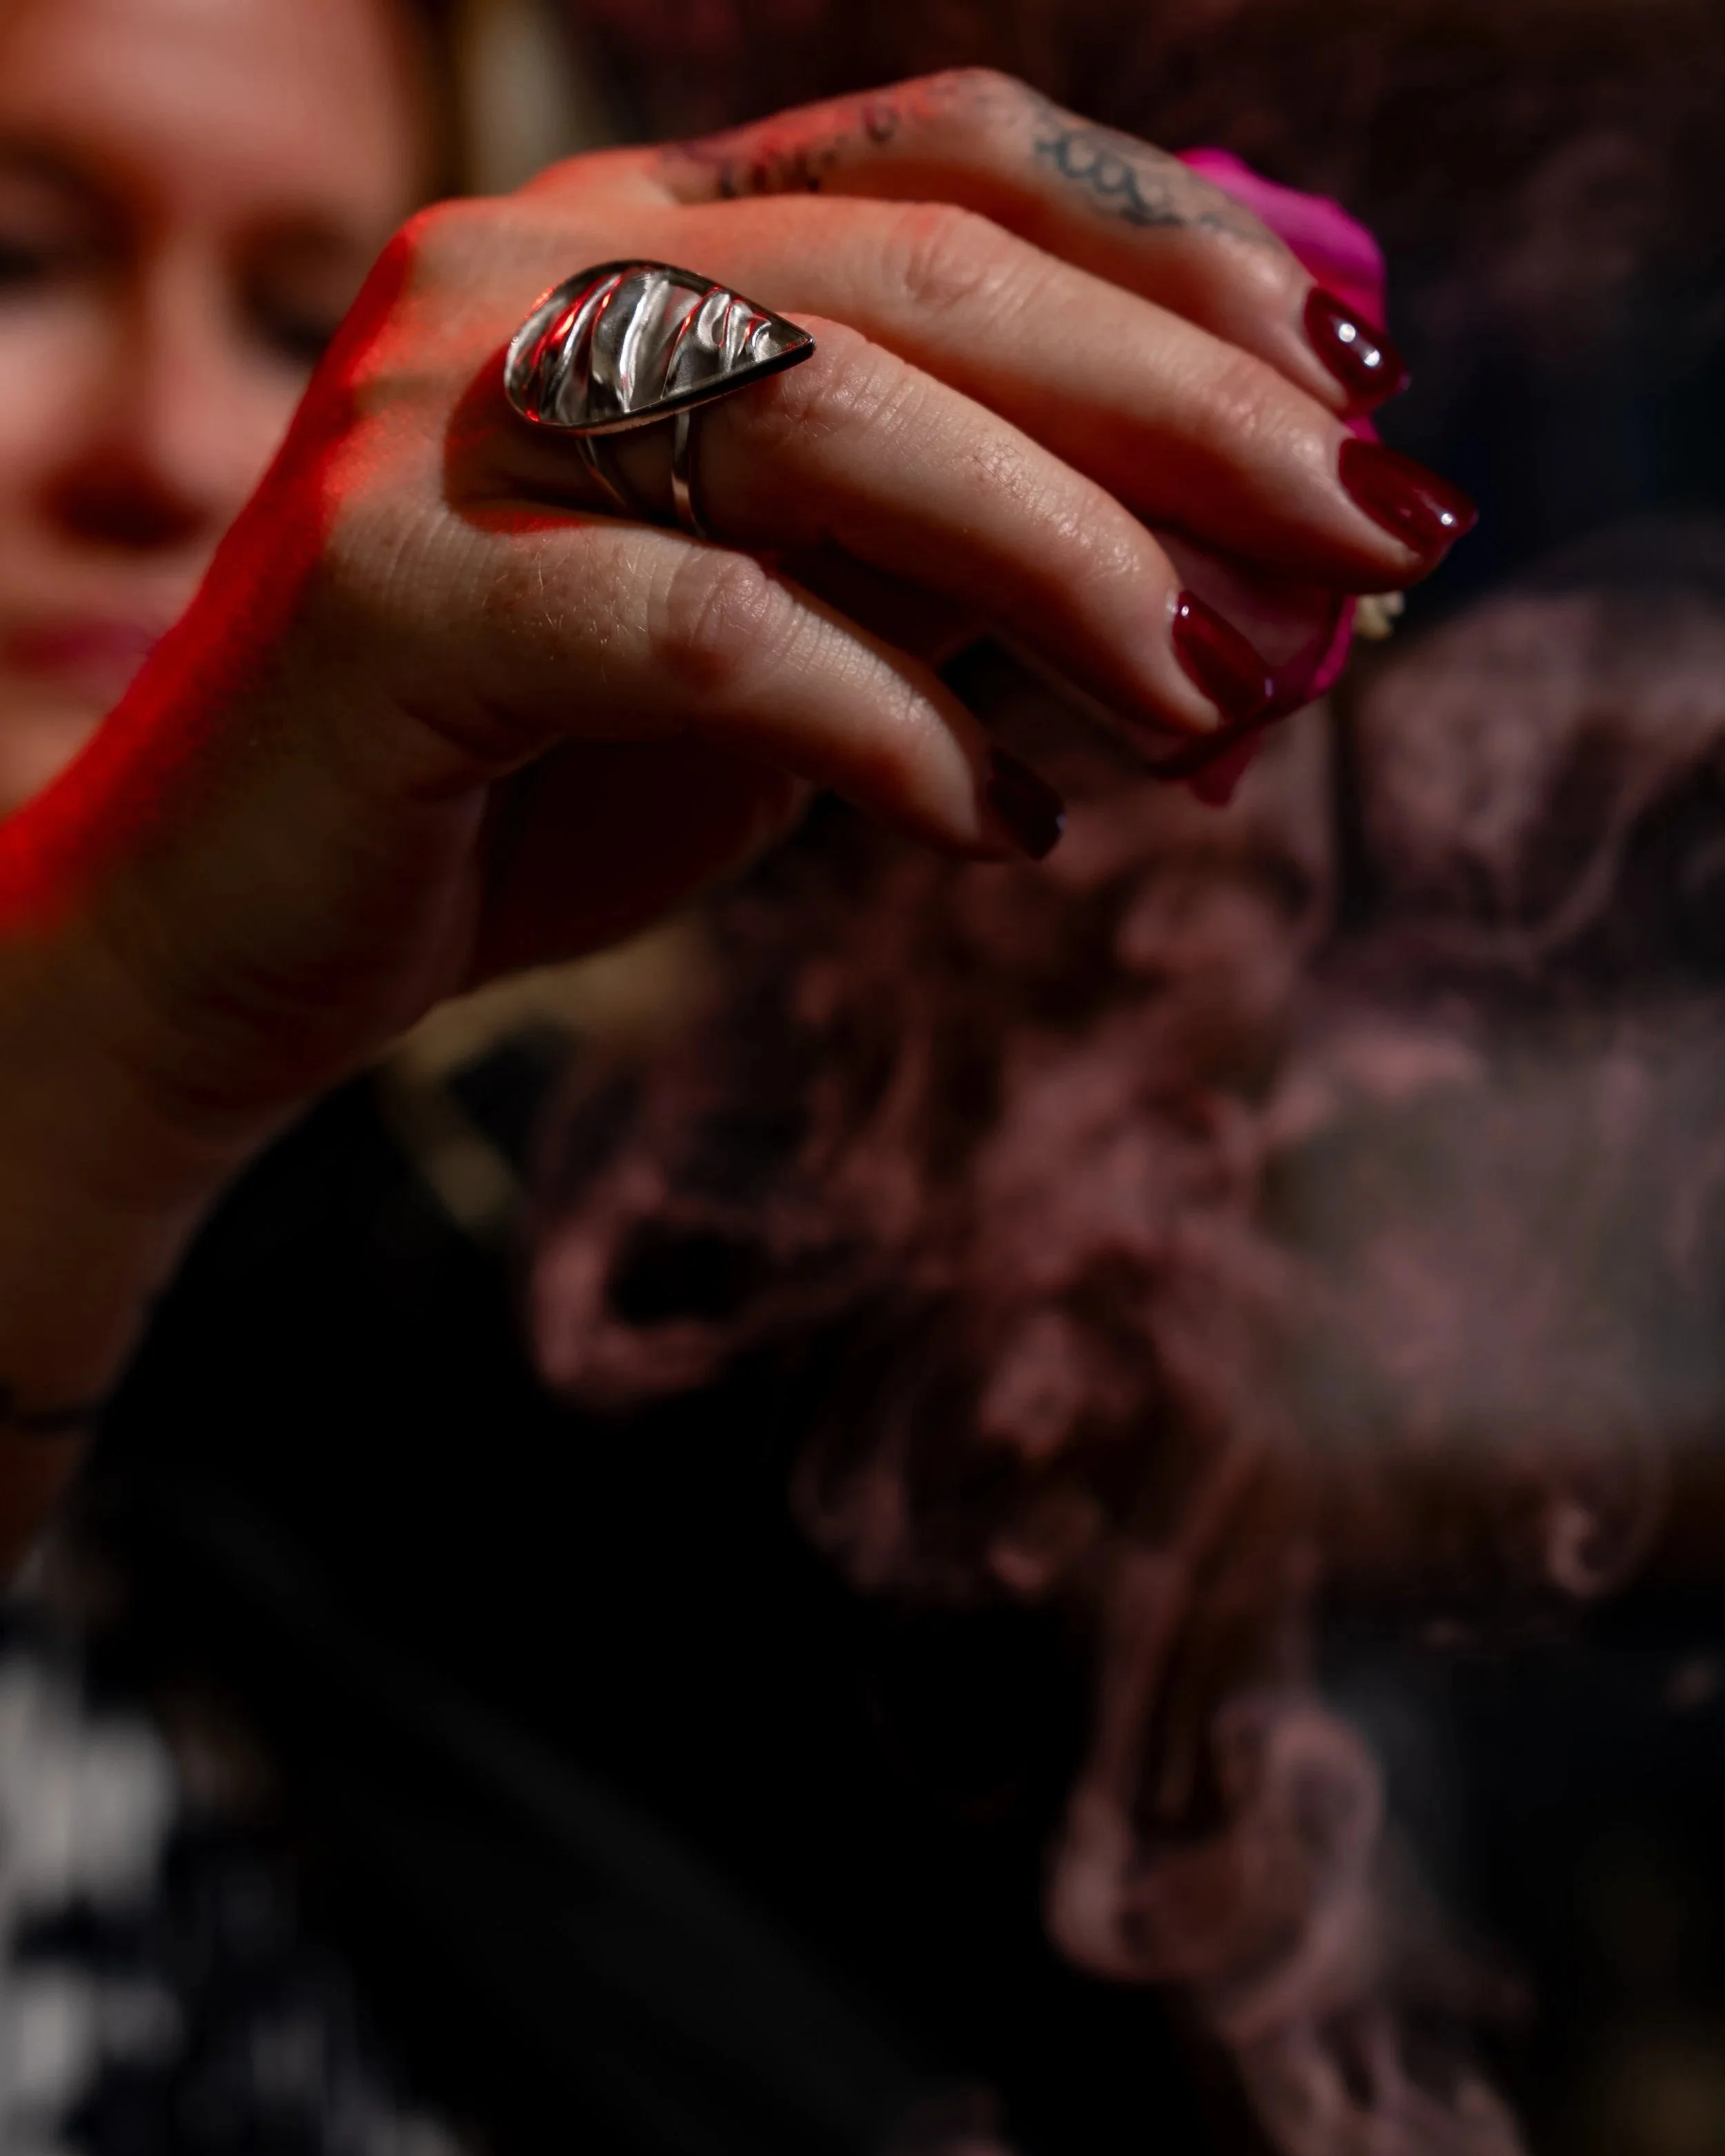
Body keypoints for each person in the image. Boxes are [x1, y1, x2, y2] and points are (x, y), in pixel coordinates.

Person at [0, 0, 1482, 2146]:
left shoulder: (596, 1300)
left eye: (301, 315)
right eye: (19, 260)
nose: (155, 447)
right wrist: (122, 1013)